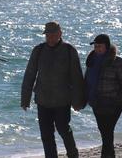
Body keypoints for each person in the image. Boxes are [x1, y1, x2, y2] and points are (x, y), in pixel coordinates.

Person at [21, 21, 85, 158]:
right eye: (47, 35)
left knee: (63, 129)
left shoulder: (69, 50)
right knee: (46, 135)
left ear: (60, 34)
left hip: (63, 100)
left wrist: (78, 101)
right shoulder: (38, 50)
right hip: (42, 100)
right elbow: (30, 75)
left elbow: (77, 78)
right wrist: (25, 99)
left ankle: (73, 154)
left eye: (52, 35)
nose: (49, 38)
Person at [84, 34, 122, 158]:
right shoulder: (92, 60)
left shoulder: (117, 61)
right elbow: (87, 81)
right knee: (104, 133)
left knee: (107, 133)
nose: (97, 49)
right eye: (95, 46)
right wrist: (82, 99)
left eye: (100, 46)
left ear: (107, 46)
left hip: (113, 104)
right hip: (97, 103)